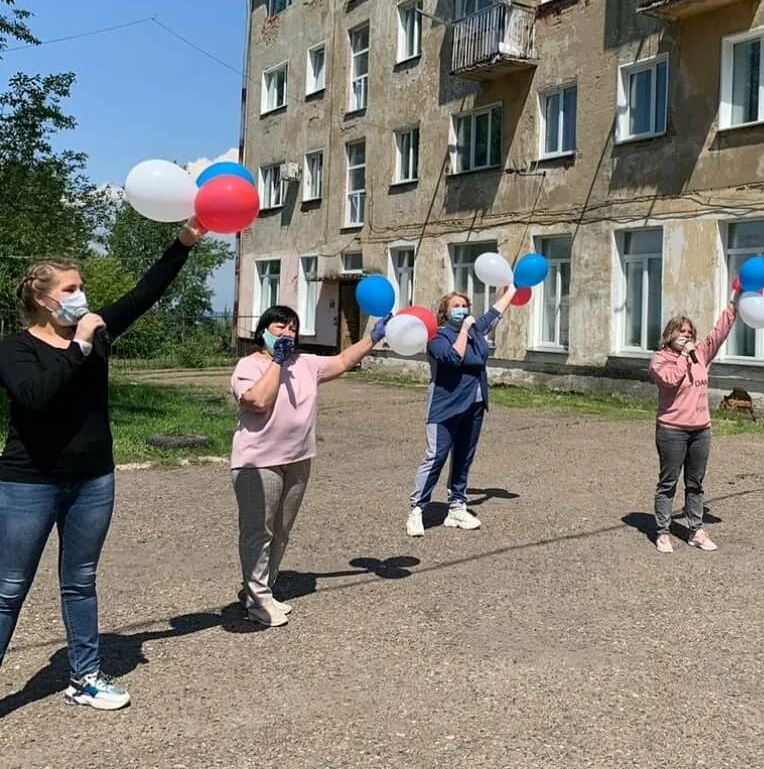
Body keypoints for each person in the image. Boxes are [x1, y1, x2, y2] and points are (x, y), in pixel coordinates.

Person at [0, 218, 207, 710]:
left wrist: (184, 242)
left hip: (93, 479)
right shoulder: (16, 349)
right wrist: (81, 347)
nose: (81, 295)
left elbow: (144, 293)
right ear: (45, 299)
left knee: (80, 581)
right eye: (71, 288)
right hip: (29, 483)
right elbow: (35, 400)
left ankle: (84, 677)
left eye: (82, 286)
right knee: (9, 589)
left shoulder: (94, 330)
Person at [230, 305, 390, 627]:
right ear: (263, 330)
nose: (287, 333)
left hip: (298, 459)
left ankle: (262, 590)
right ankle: (258, 600)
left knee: (281, 531)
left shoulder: (306, 364)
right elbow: (258, 402)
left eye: (293, 328)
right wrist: (277, 361)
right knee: (257, 532)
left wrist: (373, 337)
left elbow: (343, 361)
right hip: (258, 462)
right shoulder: (248, 365)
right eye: (280, 327)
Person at [405, 285, 517, 537]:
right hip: (444, 407)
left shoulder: (476, 331)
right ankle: (417, 510)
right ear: (445, 311)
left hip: (474, 406)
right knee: (436, 456)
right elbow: (452, 359)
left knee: (464, 457)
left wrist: (514, 288)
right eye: (455, 306)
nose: (462, 310)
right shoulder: (437, 336)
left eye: (464, 306)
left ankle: (457, 507)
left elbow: (495, 312)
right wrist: (464, 330)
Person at [648, 290, 739, 553]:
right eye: (681, 332)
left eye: (689, 332)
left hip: (701, 430)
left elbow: (718, 333)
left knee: (695, 484)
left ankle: (695, 530)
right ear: (670, 335)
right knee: (668, 483)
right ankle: (663, 531)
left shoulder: (700, 354)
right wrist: (684, 356)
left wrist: (734, 306)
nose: (687, 336)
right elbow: (670, 380)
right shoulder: (660, 359)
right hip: (672, 431)